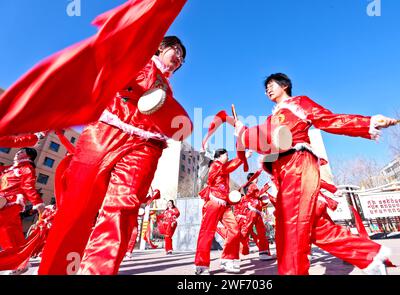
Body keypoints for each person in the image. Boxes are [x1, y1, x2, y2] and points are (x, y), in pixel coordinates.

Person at [39, 36, 192, 275]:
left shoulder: (166, 89)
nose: (179, 60)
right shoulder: (135, 58)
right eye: (177, 51)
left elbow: (177, 124)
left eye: (182, 59)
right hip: (104, 132)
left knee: (122, 209)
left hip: (145, 144)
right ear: (161, 47)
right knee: (76, 207)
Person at [235, 73, 397, 275]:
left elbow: (329, 119)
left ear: (284, 85)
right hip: (283, 171)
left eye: (271, 85)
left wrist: (368, 122)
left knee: (291, 226)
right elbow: (265, 139)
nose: (268, 89)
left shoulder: (299, 103)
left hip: (299, 165)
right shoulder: (272, 118)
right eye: (265, 87)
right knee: (312, 225)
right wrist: (244, 136)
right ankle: (369, 257)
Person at [195, 148, 252, 275]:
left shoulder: (223, 168)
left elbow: (229, 167)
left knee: (234, 229)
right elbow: (229, 166)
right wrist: (243, 157)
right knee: (207, 232)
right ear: (219, 156)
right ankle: (201, 265)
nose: (227, 156)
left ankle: (227, 259)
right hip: (214, 202)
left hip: (224, 204)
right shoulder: (216, 165)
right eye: (226, 154)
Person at [0, 148, 45, 275]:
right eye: (18, 151)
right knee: (11, 233)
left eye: (22, 152)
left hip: (13, 202)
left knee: (6, 229)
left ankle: (20, 262)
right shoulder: (9, 168)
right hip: (3, 201)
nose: (18, 152)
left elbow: (28, 186)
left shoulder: (27, 168)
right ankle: (22, 262)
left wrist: (37, 202)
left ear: (29, 156)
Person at [236, 173, 275, 261]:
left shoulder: (250, 186)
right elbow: (257, 194)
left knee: (260, 232)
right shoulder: (252, 185)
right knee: (246, 232)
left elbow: (256, 196)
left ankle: (263, 252)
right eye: (256, 177)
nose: (257, 179)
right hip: (252, 211)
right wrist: (267, 186)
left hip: (256, 211)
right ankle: (233, 252)